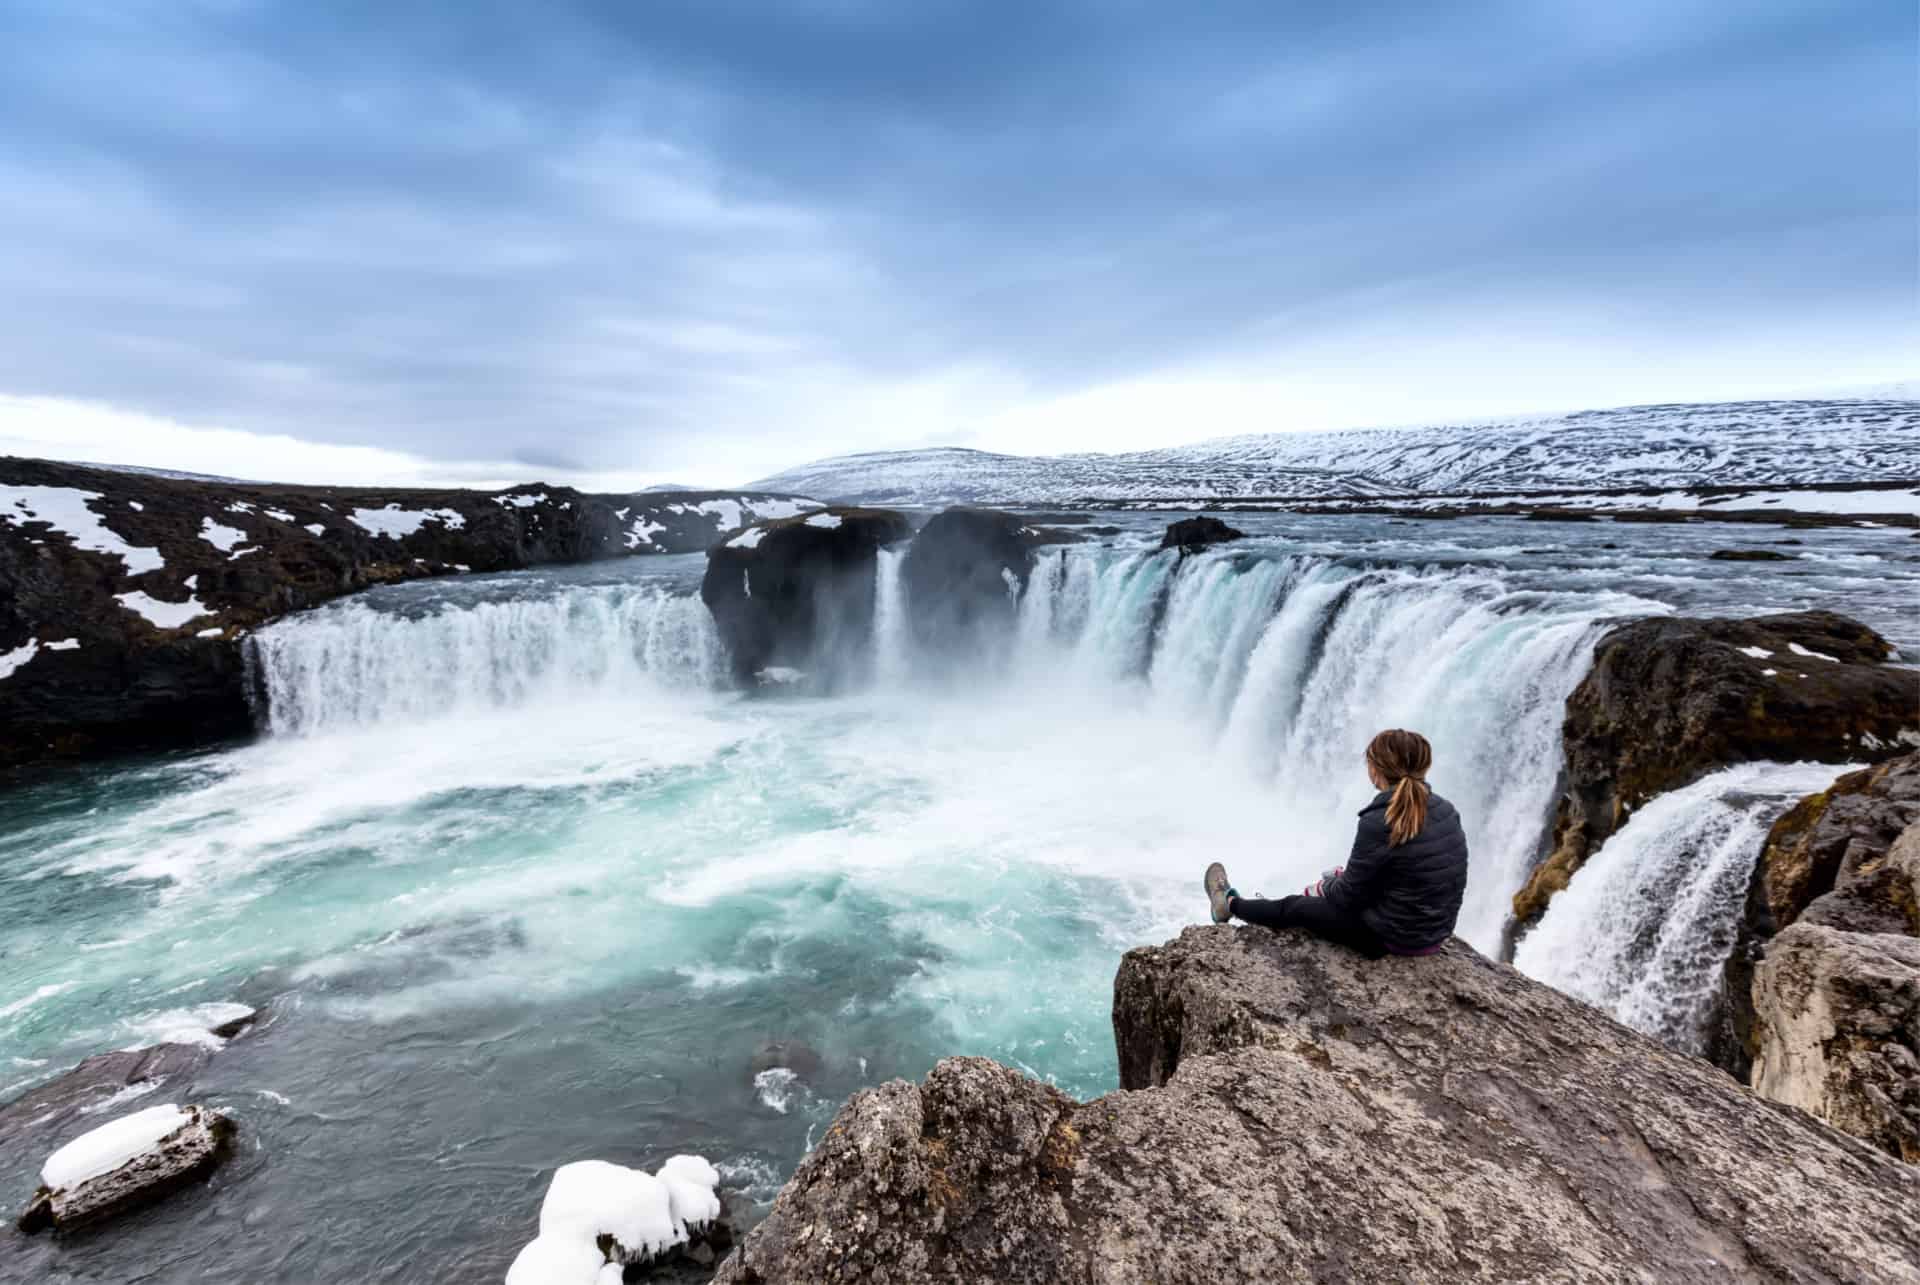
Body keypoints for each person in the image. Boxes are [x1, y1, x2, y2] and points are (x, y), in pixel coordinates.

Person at [1203, 728, 1467, 958]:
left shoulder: (1378, 820)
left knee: (1294, 907)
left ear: (1376, 771)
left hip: (1390, 940)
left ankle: (1229, 905)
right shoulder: (1446, 810)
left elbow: (1346, 898)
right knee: (1340, 883)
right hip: (1434, 935)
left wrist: (1325, 887)